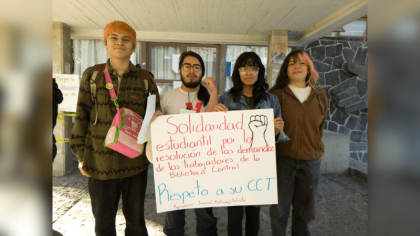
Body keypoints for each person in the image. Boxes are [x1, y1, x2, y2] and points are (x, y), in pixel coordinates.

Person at [69, 20, 160, 236]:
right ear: (105, 42)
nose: (120, 43)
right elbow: (81, 117)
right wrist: (81, 156)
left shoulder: (145, 80)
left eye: (126, 39)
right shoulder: (92, 76)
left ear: (134, 46)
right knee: (103, 224)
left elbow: (155, 116)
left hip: (135, 165)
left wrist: (158, 116)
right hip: (99, 165)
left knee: (136, 224)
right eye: (114, 38)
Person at [212, 52, 289, 236]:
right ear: (237, 71)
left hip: (259, 165)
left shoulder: (271, 100)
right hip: (233, 165)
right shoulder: (226, 98)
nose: (249, 72)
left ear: (259, 72)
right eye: (244, 67)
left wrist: (277, 129)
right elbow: (217, 135)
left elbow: (275, 139)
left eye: (254, 68)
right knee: (234, 215)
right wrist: (215, 117)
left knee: (254, 214)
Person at [152, 51, 219, 236]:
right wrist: (157, 117)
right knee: (173, 221)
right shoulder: (167, 97)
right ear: (180, 69)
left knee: (206, 219)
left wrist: (214, 91)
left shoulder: (210, 97)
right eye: (187, 66)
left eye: (197, 67)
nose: (192, 70)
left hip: (205, 166)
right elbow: (157, 130)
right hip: (174, 169)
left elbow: (212, 123)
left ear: (202, 71)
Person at [268, 49, 328, 236]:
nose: (297, 66)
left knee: (306, 212)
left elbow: (320, 128)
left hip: (311, 161)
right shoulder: (275, 94)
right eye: (292, 63)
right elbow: (265, 131)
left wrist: (314, 147)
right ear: (285, 70)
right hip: (282, 160)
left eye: (302, 63)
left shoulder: (319, 94)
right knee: (279, 210)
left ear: (309, 68)